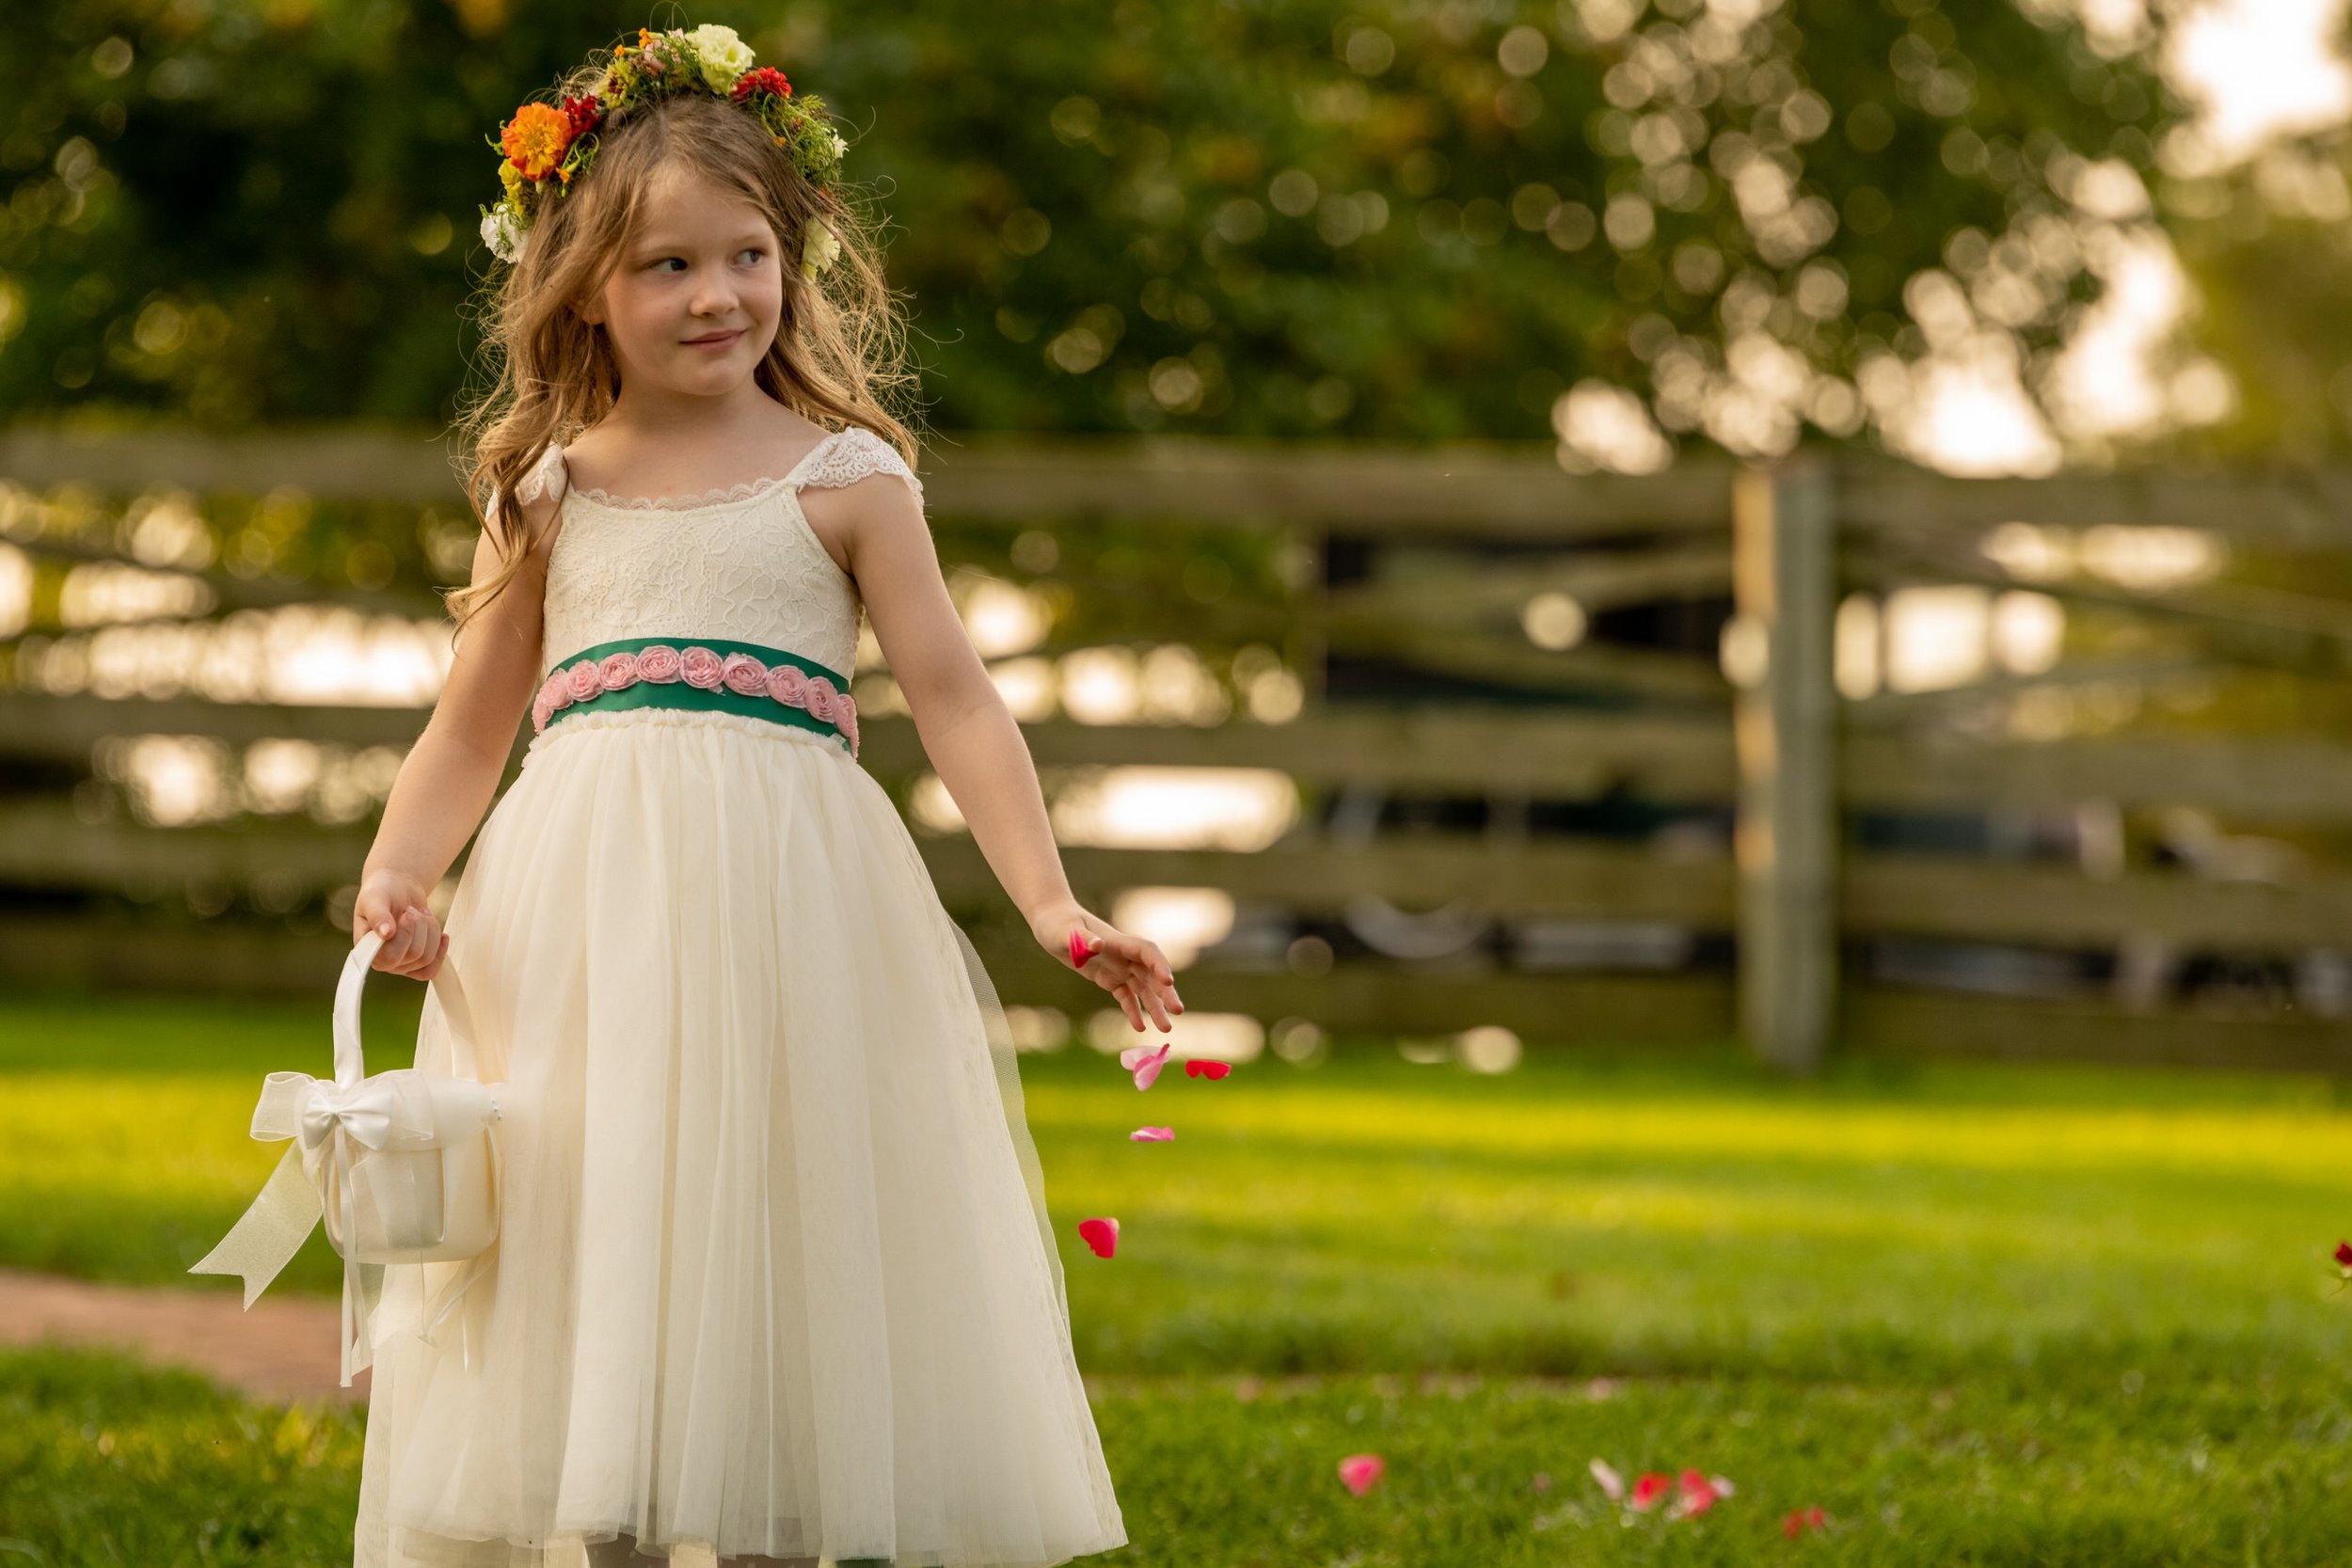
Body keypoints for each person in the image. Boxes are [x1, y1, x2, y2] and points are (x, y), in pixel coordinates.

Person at [344, 24, 1178, 1568]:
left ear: (794, 260)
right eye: (668, 265)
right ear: (583, 280)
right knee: (596, 1220)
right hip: (581, 914)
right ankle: (609, 1527)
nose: (717, 294)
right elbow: (470, 727)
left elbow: (958, 699)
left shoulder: (848, 477)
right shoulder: (548, 492)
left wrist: (1054, 902)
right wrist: (402, 868)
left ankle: (787, 1519)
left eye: (747, 255)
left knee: (778, 1224)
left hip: (792, 905)